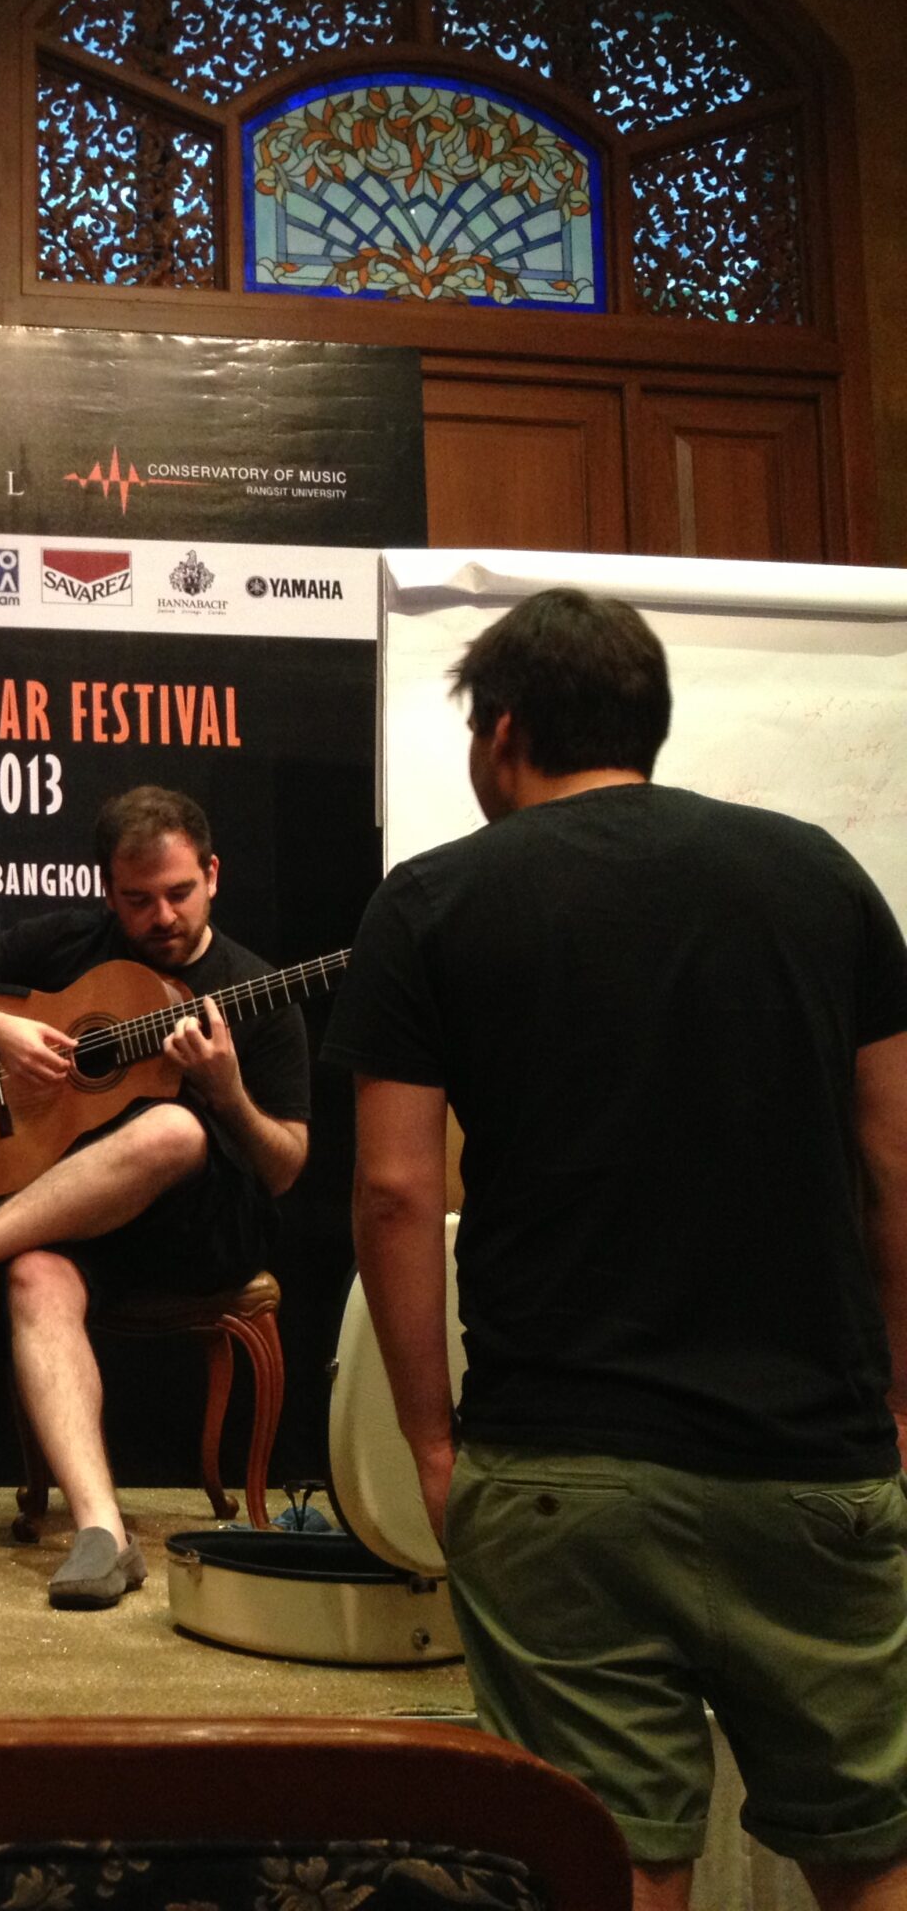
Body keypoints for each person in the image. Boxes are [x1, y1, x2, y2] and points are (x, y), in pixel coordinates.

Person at [325, 587, 907, 1909]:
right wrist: (895, 1399)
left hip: (558, 1464)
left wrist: (429, 1444)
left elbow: (396, 1194)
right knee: (870, 1850)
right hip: (810, 1457)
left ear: (503, 731)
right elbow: (896, 1163)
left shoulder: (433, 901)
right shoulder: (822, 876)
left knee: (615, 1858)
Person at [0, 786, 312, 1608]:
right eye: (138, 899)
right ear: (108, 891)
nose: (162, 915)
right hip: (86, 1218)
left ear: (213, 875)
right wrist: (0, 1031)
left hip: (203, 1229)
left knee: (173, 1129)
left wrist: (227, 1093)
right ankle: (102, 1534)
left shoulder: (258, 990)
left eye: (180, 892)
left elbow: (285, 1167)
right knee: (33, 1274)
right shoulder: (71, 942)